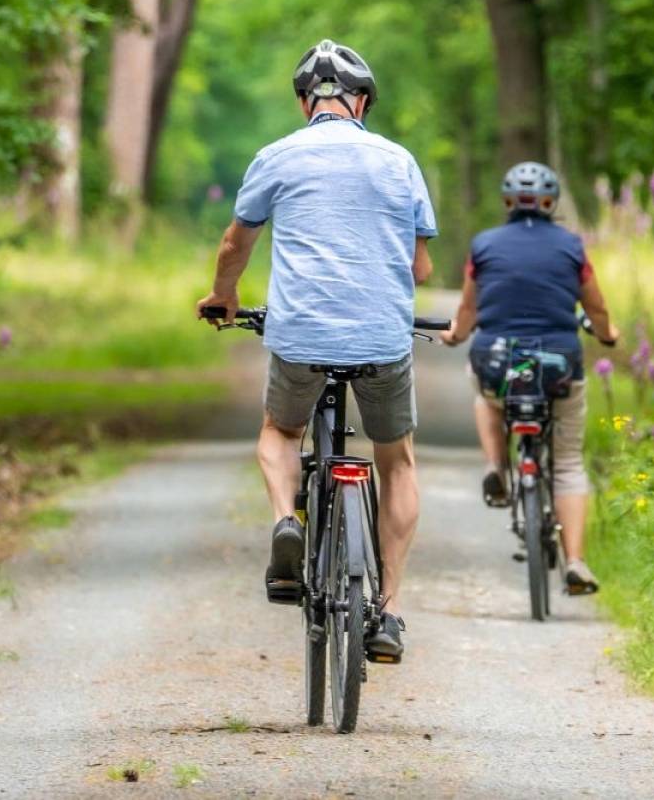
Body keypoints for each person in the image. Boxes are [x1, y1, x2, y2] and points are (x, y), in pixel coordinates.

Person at [196, 39, 437, 659]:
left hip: (300, 334)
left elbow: (233, 244)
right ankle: (389, 613)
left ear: (306, 102)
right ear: (362, 102)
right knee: (398, 460)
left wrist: (225, 297)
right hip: (383, 337)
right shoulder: (398, 160)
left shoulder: (276, 156)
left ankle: (286, 521)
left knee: (280, 431)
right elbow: (422, 265)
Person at [440, 162, 618, 595]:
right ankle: (575, 561)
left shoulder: (483, 246)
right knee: (570, 463)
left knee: (484, 393)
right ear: (550, 202)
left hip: (497, 362)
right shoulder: (573, 247)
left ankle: (496, 465)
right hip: (558, 365)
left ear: (506, 202)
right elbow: (595, 309)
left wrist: (457, 335)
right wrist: (609, 335)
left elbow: (468, 310)